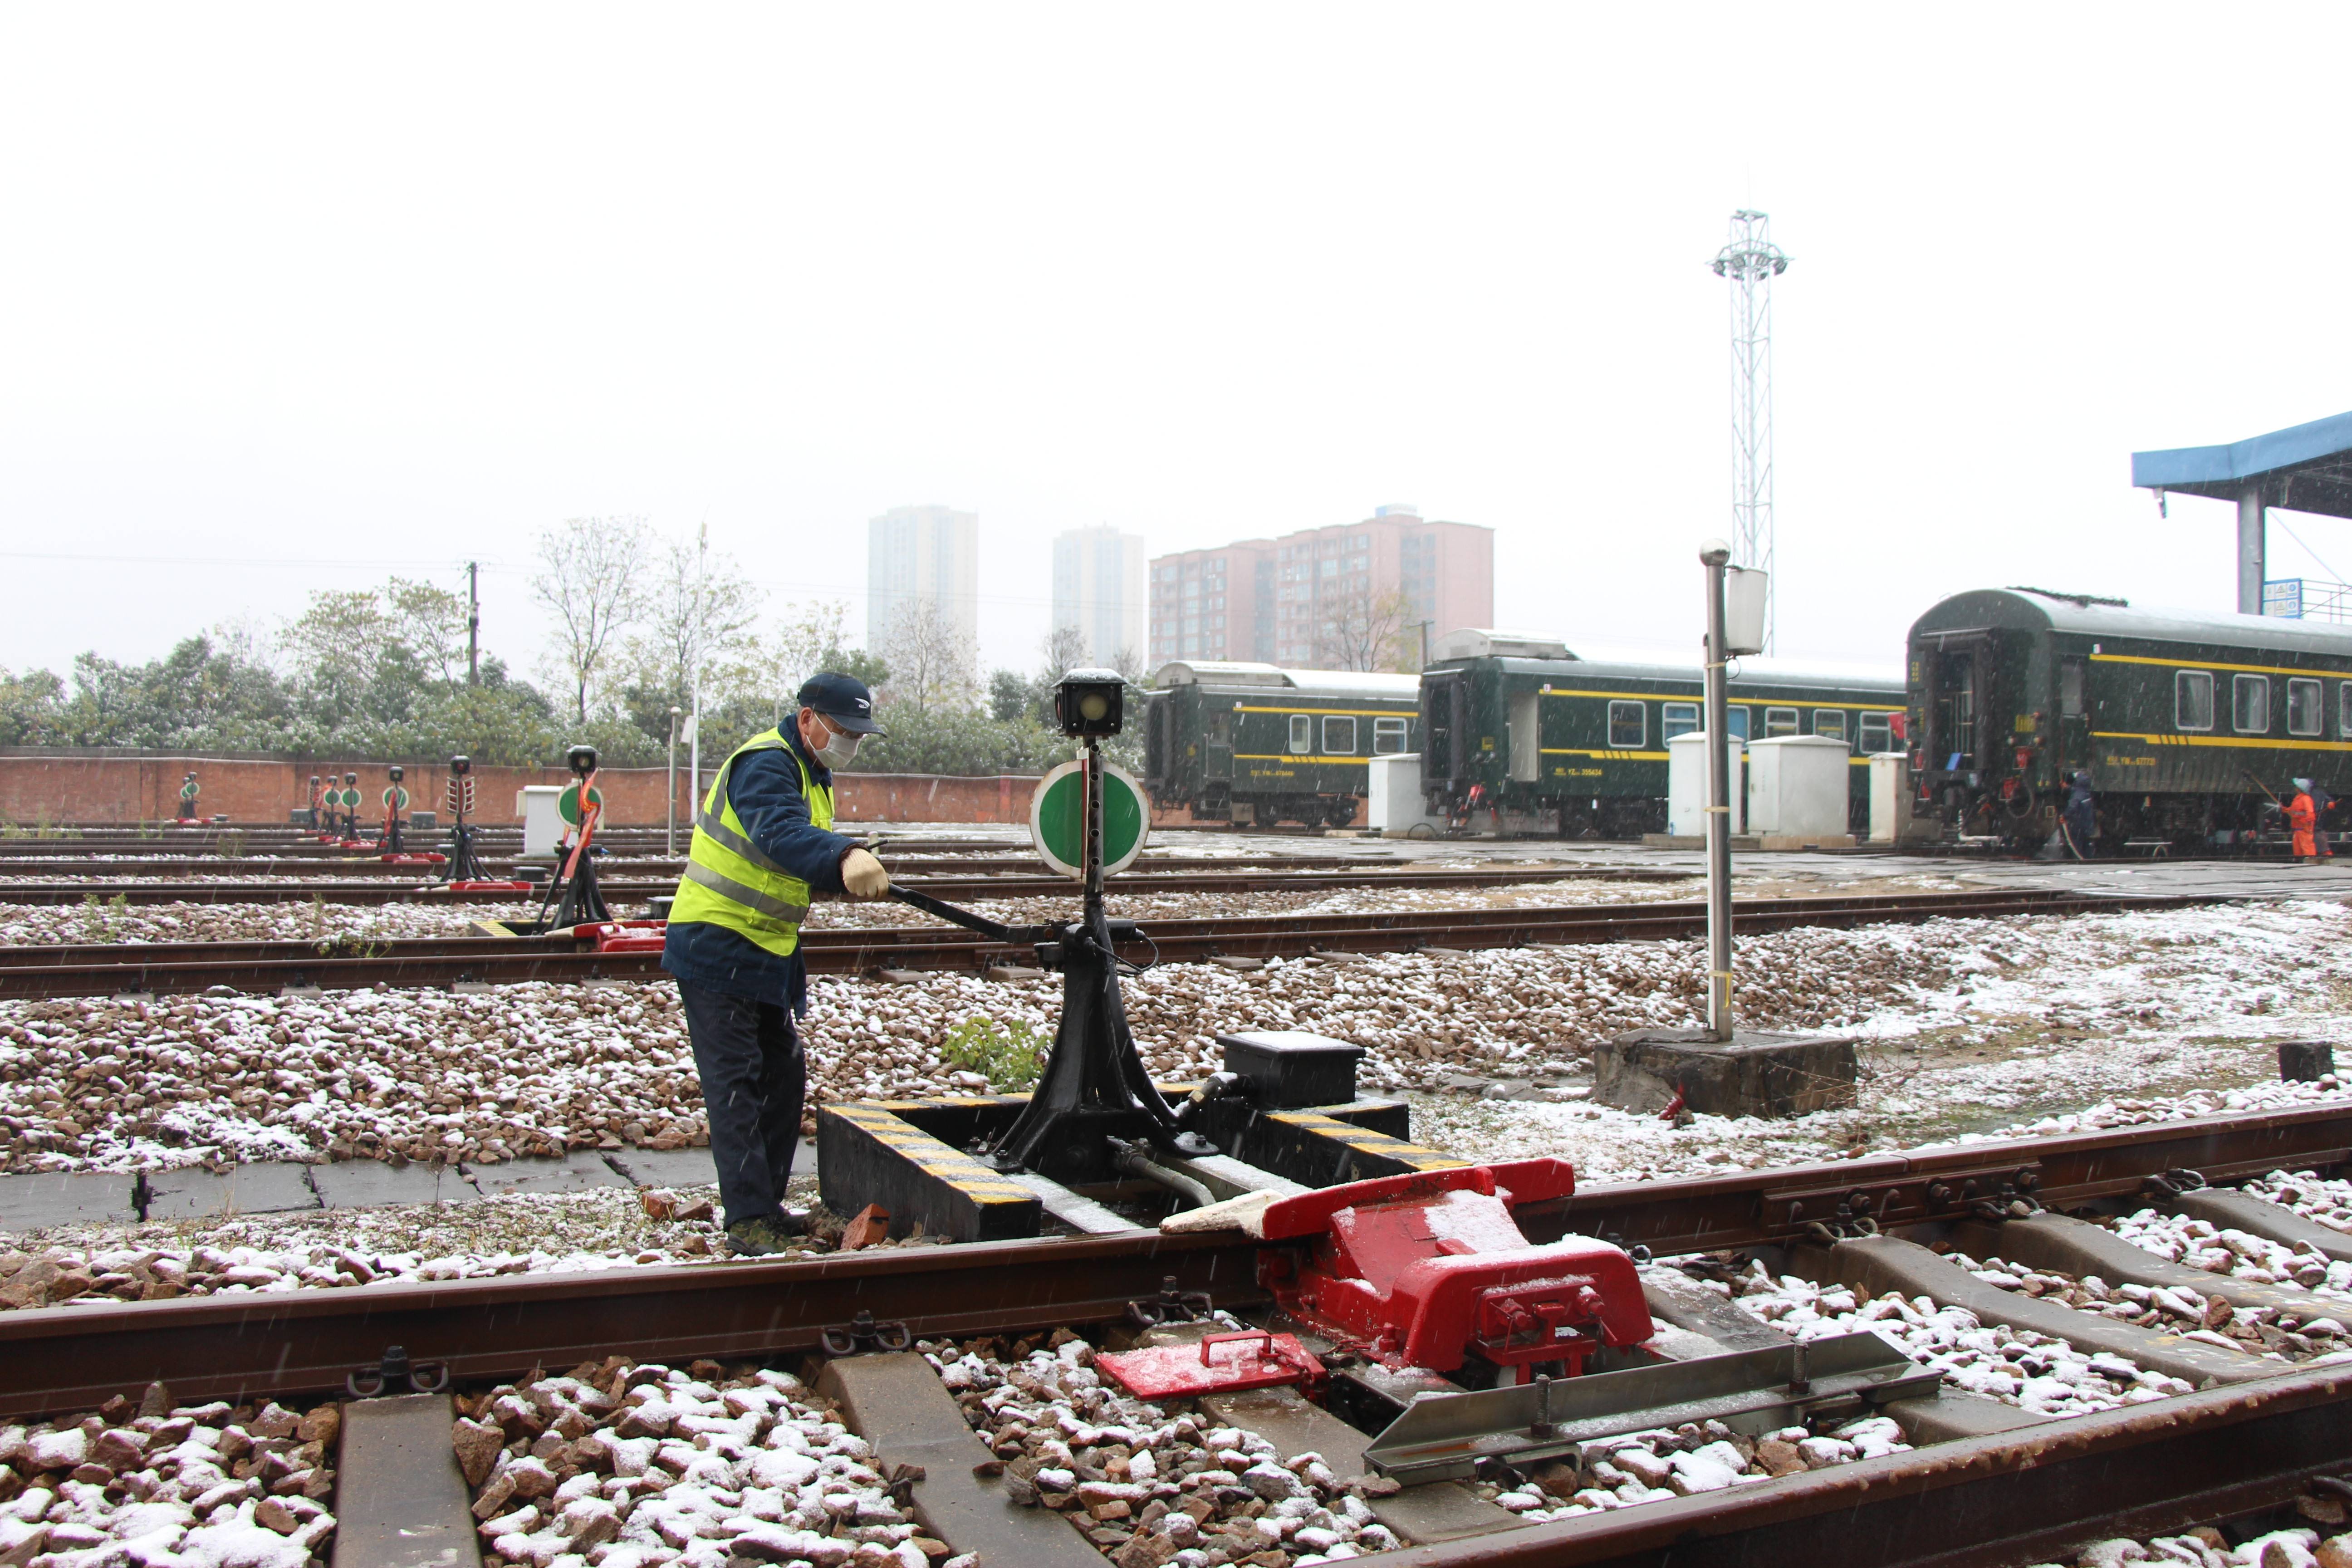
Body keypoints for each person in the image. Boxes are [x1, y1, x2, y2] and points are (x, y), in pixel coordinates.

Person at [662, 672, 893, 1256]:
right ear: (808, 717)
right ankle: (747, 1220)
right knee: (736, 1085)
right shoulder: (766, 762)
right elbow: (780, 834)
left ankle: (763, 1204)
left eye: (857, 736)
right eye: (842, 730)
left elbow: (789, 860)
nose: (849, 743)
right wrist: (843, 852)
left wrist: (845, 867)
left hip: (765, 949)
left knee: (782, 1078)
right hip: (717, 942)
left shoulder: (813, 771)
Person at [2060, 770, 2096, 859]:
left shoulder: (2077, 795)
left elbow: (2073, 807)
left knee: (2076, 845)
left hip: (2078, 824)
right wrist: (2067, 787)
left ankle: (2078, 861)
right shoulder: (2086, 793)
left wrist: (2064, 816)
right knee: (2086, 844)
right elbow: (2076, 790)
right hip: (2087, 824)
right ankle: (2088, 860)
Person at [2288, 779, 2319, 864]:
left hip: (2304, 828)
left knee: (2307, 847)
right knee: (2297, 849)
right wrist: (2287, 810)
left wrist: (2308, 825)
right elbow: (2295, 810)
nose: (2295, 788)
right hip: (2297, 828)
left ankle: (2311, 862)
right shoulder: (2298, 798)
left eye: (2297, 787)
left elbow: (2310, 812)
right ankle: (2299, 861)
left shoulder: (2306, 799)